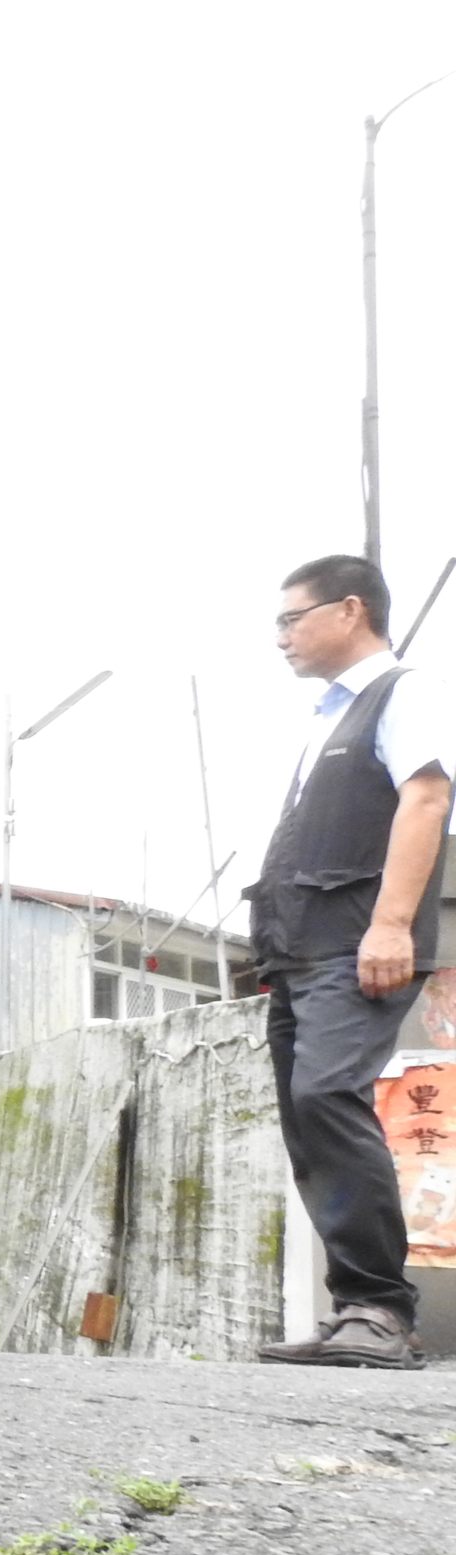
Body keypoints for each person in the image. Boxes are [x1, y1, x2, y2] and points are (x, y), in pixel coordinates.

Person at [252, 555, 449, 1371]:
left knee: (328, 1093)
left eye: (291, 618)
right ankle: (354, 1309)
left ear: (349, 610)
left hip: (355, 941)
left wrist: (393, 924)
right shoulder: (326, 717)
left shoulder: (403, 691)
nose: (281, 638)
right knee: (308, 1117)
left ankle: (382, 1310)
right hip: (300, 948)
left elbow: (428, 797)